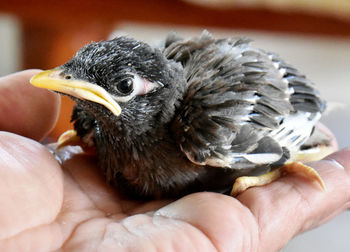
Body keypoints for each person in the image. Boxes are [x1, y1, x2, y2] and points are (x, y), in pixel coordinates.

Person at [0, 70, 349, 252]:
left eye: (122, 85)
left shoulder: (208, 130)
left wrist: (280, 162)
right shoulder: (94, 124)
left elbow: (304, 116)